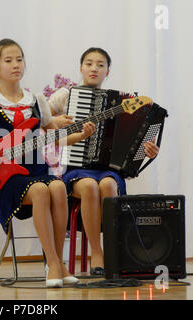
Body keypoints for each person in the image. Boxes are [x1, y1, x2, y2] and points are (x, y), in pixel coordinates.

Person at [0, 38, 95, 287]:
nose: (16, 64)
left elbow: (54, 138)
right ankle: (52, 263)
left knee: (59, 186)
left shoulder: (36, 100)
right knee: (41, 190)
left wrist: (80, 135)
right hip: (9, 179)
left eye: (19, 59)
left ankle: (58, 261)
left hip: (39, 170)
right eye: (8, 60)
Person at [48, 47, 160, 275]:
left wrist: (147, 150)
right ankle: (96, 253)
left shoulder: (121, 103)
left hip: (108, 171)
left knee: (108, 185)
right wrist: (55, 121)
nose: (94, 68)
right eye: (89, 63)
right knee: (89, 186)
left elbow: (135, 144)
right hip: (76, 170)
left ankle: (113, 251)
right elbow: (41, 125)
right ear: (80, 67)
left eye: (100, 65)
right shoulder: (65, 95)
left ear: (107, 71)